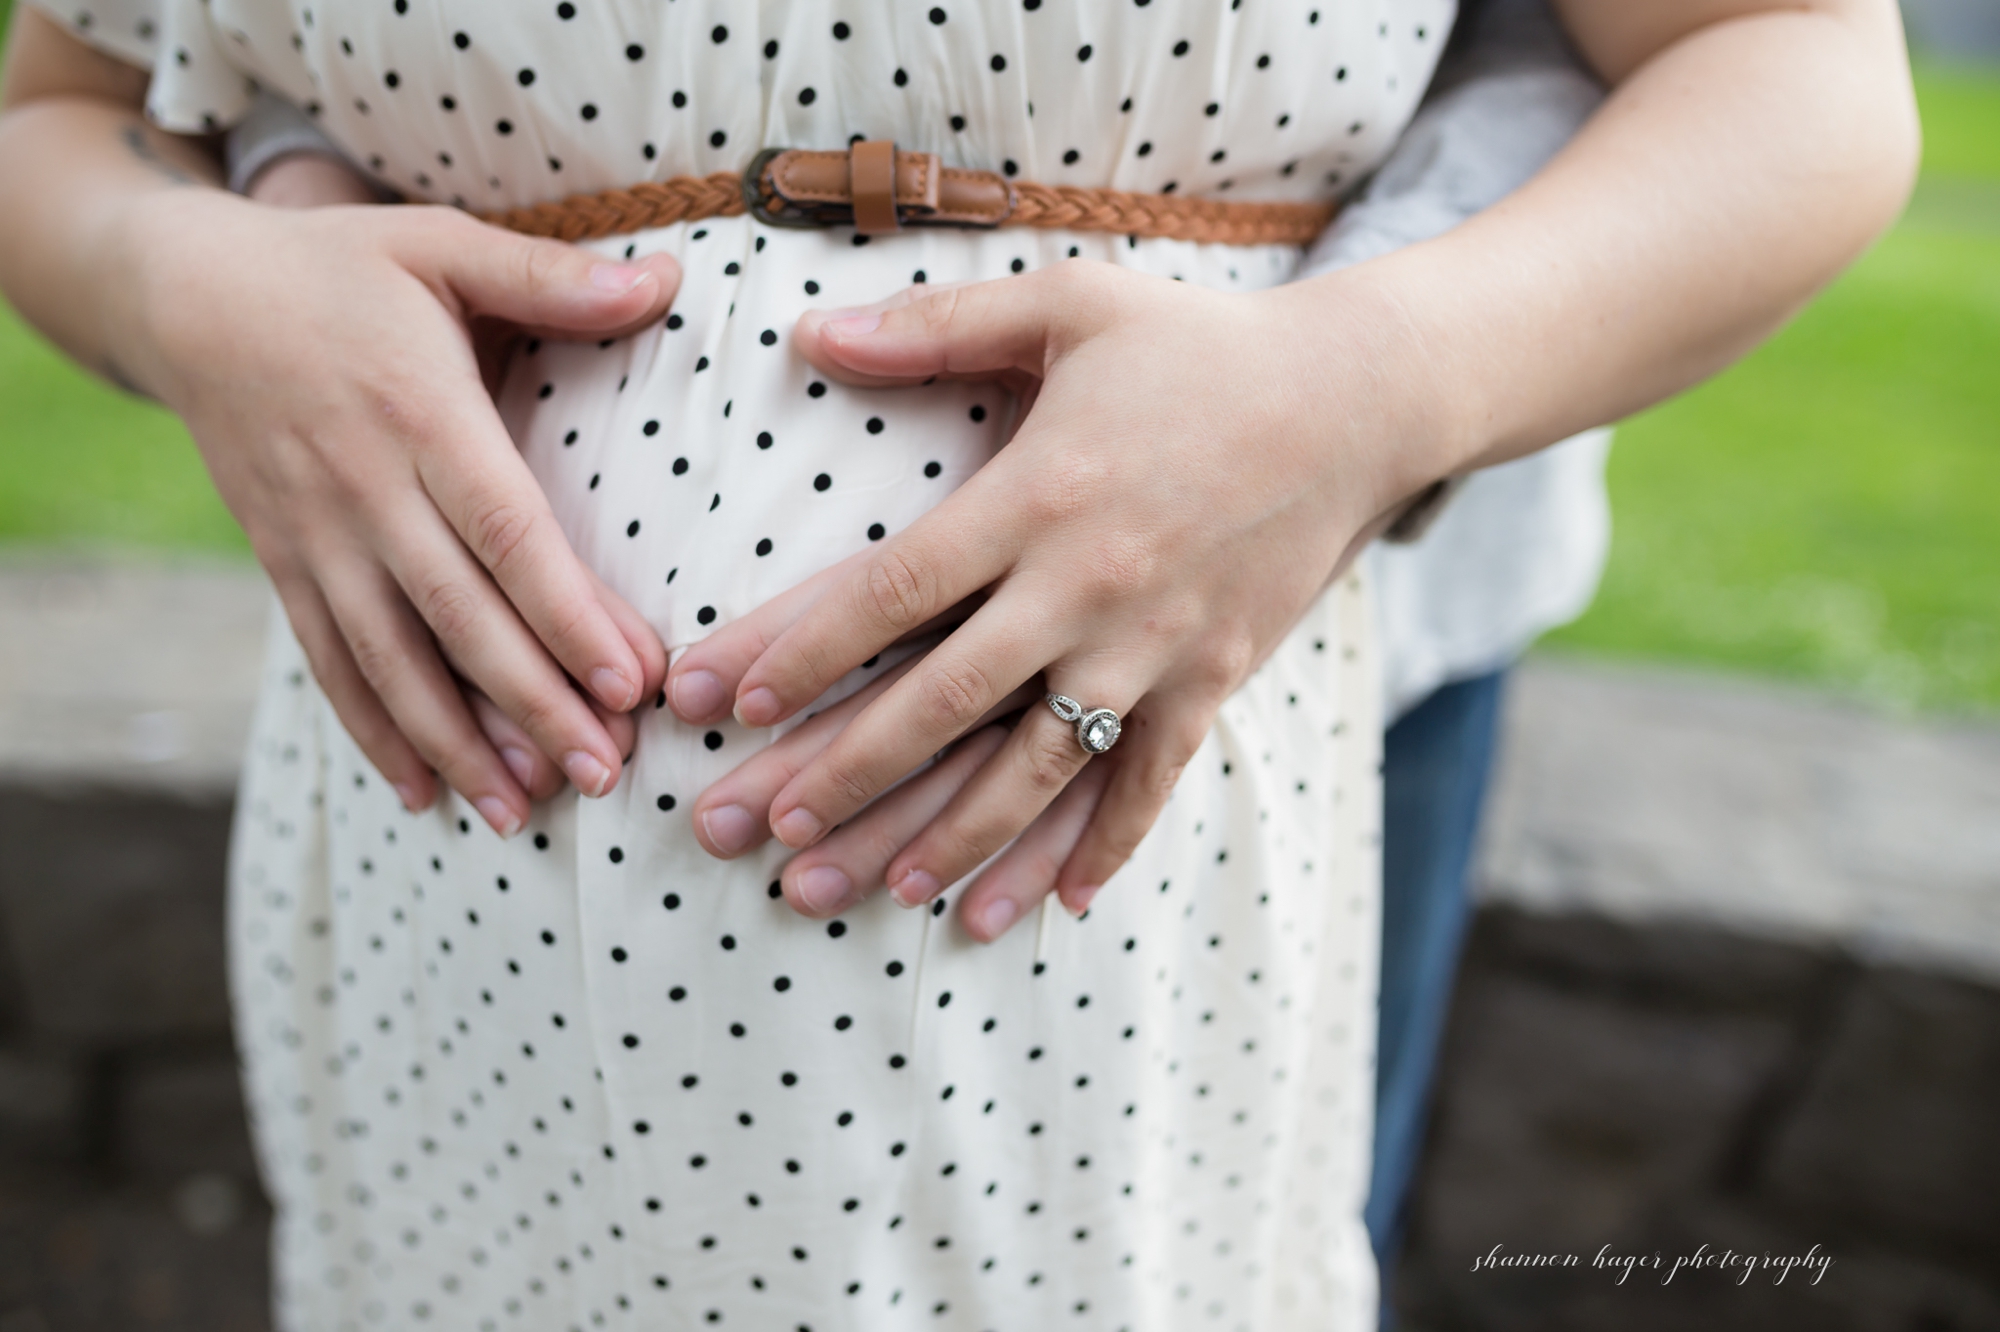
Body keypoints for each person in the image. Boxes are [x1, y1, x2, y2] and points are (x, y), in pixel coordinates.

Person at [0, 2, 1916, 1329]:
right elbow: (61, 107)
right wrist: (184, 289)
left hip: (1166, 817)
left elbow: (1791, 67)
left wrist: (1366, 393)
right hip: (464, 894)